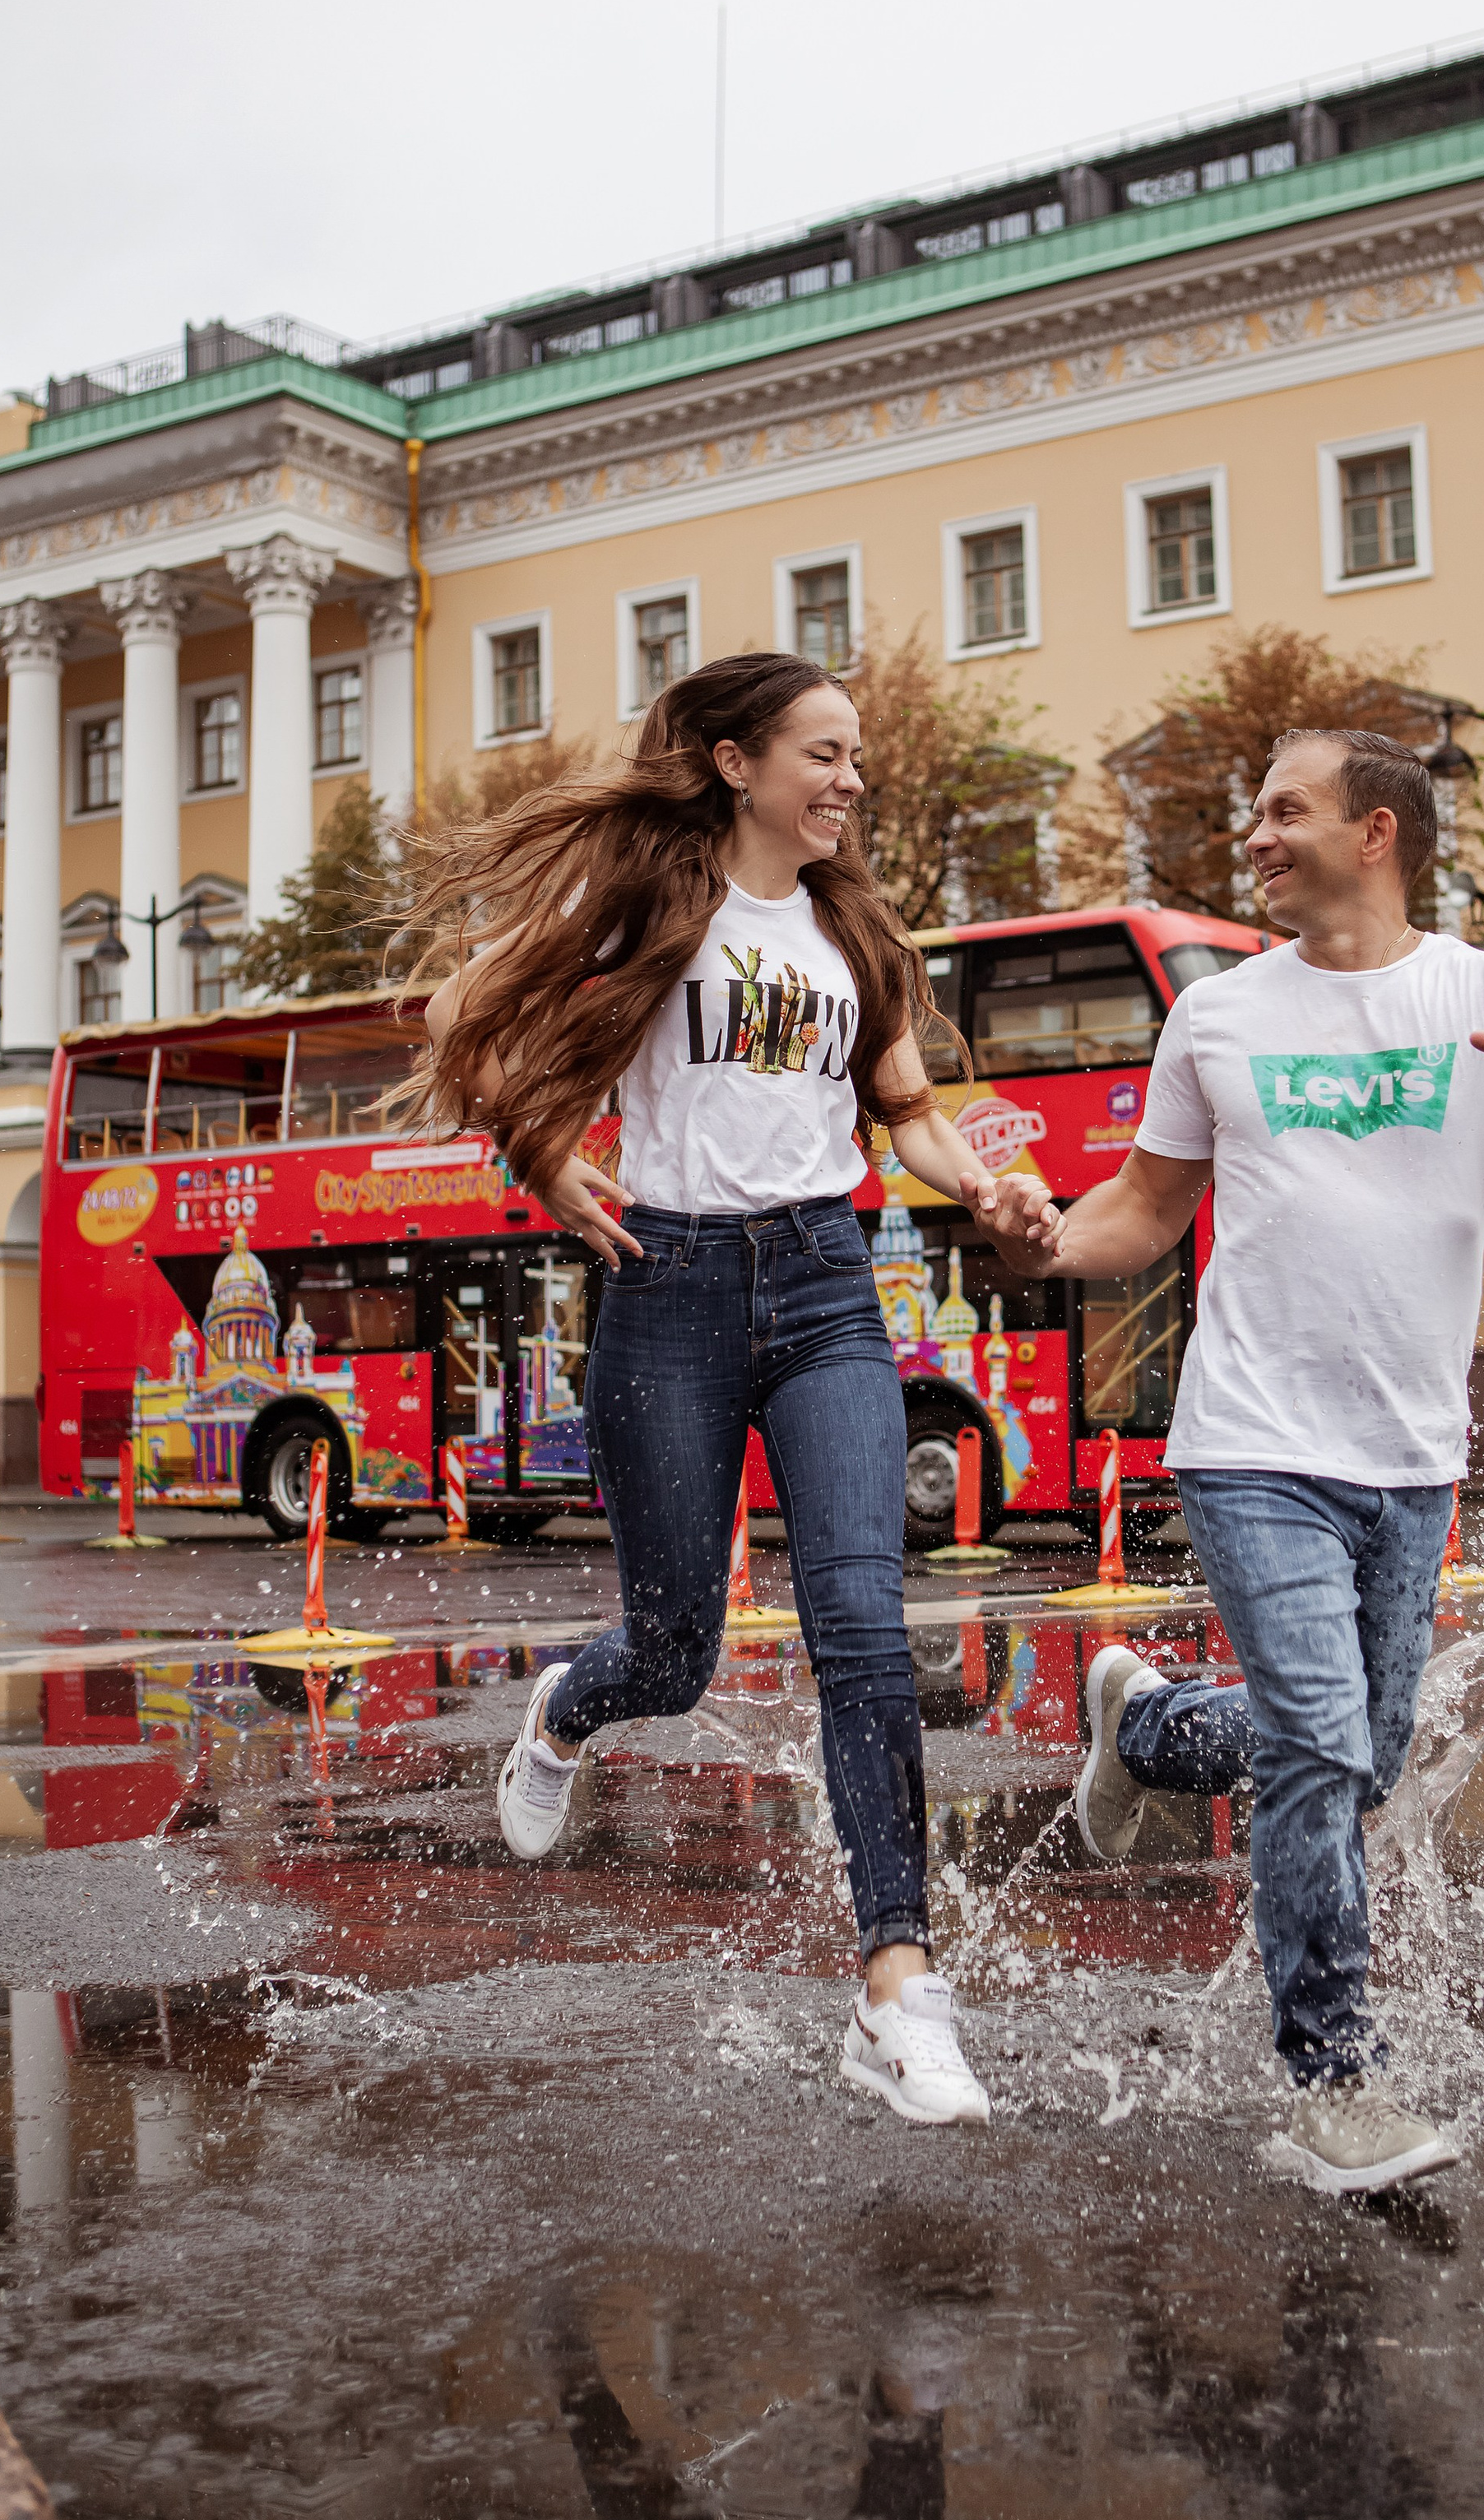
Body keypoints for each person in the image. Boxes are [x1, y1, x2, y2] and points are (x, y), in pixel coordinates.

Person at [990, 727, 1484, 2197]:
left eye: (1284, 810)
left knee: (1360, 1756)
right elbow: (1144, 1209)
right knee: (1321, 1746)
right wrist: (1050, 1240)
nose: (1255, 836)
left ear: (1376, 831)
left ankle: (1151, 1727)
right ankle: (1335, 2083)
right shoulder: (1218, 1016)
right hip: (1252, 1441)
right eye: (1254, 812)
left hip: (1410, 1455)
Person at [406, 651, 1058, 2127]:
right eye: (823, 754)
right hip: (670, 1289)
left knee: (863, 1627)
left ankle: (898, 1986)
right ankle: (568, 1708)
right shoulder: (647, 896)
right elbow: (462, 1016)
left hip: (828, 1286)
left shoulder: (856, 930)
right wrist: (541, 1155)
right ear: (733, 762)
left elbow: (910, 1114)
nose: (850, 782)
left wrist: (987, 1188)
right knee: (676, 1653)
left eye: (855, 758)